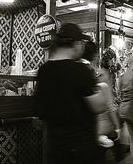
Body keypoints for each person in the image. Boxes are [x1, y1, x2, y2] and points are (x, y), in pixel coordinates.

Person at [35, 23, 106, 164]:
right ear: (77, 44)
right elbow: (98, 106)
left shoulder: (43, 70)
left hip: (55, 148)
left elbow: (39, 112)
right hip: (81, 150)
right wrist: (100, 85)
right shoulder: (80, 70)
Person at [81, 41, 123, 162]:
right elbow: (109, 105)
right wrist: (117, 127)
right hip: (103, 127)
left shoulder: (76, 72)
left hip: (86, 130)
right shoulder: (101, 74)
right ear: (95, 56)